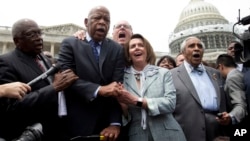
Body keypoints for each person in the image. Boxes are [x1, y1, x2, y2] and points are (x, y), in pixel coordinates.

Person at [0, 18, 78, 141]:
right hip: (26, 134)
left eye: (39, 33)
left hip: (53, 132)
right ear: (17, 41)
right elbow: (10, 108)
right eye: (31, 34)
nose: (38, 37)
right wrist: (53, 88)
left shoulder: (43, 58)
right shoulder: (6, 62)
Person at [57, 5, 125, 141]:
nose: (102, 22)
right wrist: (99, 89)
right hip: (75, 124)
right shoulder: (70, 44)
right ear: (86, 22)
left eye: (106, 20)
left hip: (106, 127)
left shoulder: (116, 49)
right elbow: (67, 79)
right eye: (97, 18)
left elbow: (117, 87)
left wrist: (115, 123)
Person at [116, 33, 186, 141]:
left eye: (141, 45)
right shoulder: (122, 78)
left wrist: (137, 101)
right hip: (138, 136)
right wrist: (123, 107)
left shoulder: (163, 73)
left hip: (169, 134)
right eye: (133, 46)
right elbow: (127, 117)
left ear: (147, 51)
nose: (137, 48)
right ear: (128, 55)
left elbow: (170, 104)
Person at [170, 36, 228, 141]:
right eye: (191, 46)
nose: (196, 48)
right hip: (188, 133)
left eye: (199, 46)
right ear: (183, 52)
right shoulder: (171, 75)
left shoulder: (216, 73)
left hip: (218, 131)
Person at [216, 54, 247, 140]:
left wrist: (230, 116)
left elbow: (240, 104)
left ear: (221, 66)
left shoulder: (232, 78)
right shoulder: (240, 74)